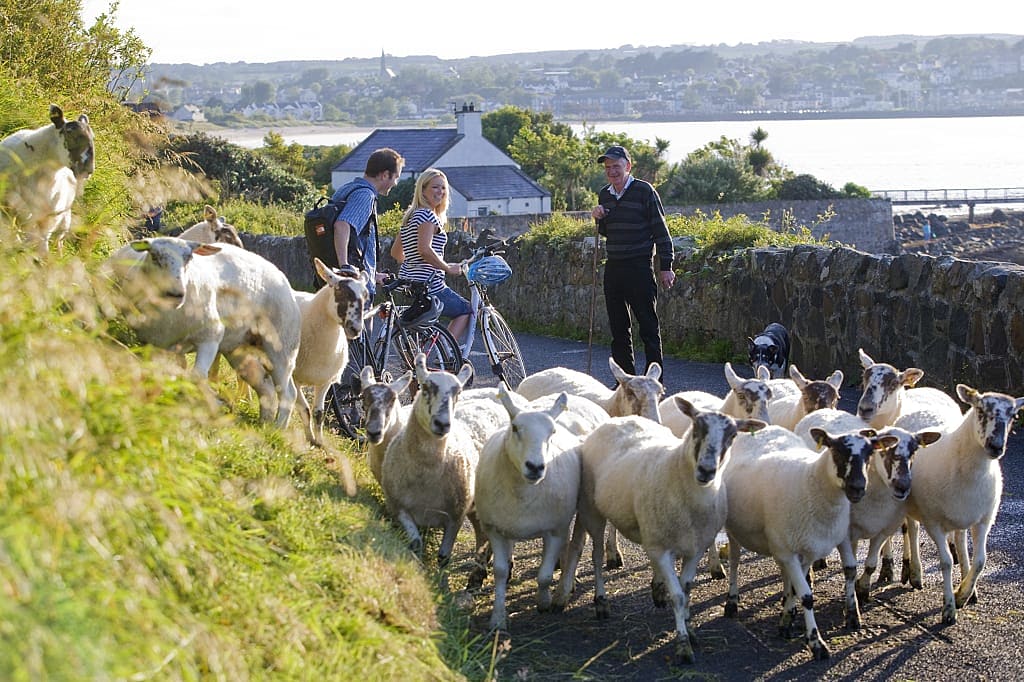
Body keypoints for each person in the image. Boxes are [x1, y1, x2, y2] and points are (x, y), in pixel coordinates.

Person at [591, 145, 675, 378]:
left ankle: (653, 381)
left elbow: (661, 230)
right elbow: (608, 231)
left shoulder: (644, 191)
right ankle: (625, 383)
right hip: (614, 267)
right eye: (608, 168)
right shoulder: (604, 194)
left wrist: (666, 266)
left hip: (639, 266)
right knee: (618, 330)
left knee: (648, 327)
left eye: (616, 166)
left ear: (628, 166)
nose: (612, 171)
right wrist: (599, 218)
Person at [389, 168, 472, 345]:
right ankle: (446, 354)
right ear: (423, 189)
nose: (440, 192)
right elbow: (425, 250)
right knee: (466, 310)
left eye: (443, 188)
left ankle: (429, 355)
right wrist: (447, 268)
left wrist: (416, 265)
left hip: (410, 283)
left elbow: (396, 253)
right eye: (435, 187)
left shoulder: (410, 216)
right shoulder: (427, 215)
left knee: (423, 327)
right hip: (430, 285)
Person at [331, 147, 405, 296]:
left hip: (345, 283)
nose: (396, 183)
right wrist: (345, 267)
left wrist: (373, 275)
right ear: (385, 175)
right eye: (395, 177)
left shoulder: (347, 189)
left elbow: (357, 242)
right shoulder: (365, 196)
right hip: (356, 289)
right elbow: (342, 225)